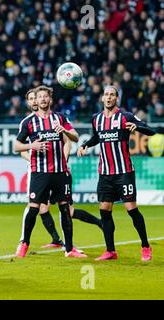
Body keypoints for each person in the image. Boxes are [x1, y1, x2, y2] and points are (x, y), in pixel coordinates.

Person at [17, 88, 102, 254]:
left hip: (59, 172)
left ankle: (69, 249)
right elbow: (16, 146)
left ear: (50, 99)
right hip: (39, 172)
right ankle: (24, 243)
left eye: (44, 97)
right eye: (38, 97)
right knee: (34, 208)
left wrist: (65, 132)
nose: (41, 100)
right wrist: (31, 146)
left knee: (65, 209)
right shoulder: (28, 122)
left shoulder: (60, 118)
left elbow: (75, 137)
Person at [77, 86, 155, 261]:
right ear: (102, 98)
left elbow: (151, 130)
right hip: (105, 173)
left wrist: (138, 127)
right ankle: (110, 251)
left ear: (116, 98)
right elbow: (98, 137)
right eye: (106, 94)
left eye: (112, 94)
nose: (109, 97)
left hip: (124, 172)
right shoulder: (96, 119)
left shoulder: (125, 116)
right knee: (105, 210)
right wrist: (85, 145)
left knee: (131, 208)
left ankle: (145, 246)